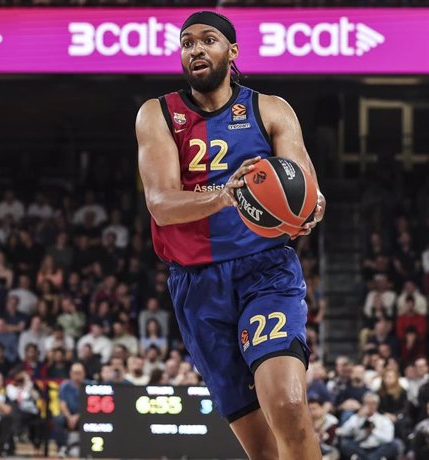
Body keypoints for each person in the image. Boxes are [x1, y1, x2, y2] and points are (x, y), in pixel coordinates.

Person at [136, 11, 326, 459]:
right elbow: (161, 205)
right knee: (260, 448)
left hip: (266, 272)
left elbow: (307, 188)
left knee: (289, 404)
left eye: (208, 40)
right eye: (187, 43)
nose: (196, 48)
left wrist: (312, 207)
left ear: (232, 51)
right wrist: (225, 196)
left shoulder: (271, 109)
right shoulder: (157, 114)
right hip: (197, 284)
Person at [336, 392, 397, 460]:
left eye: (372, 403)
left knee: (394, 445)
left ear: (377, 405)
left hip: (377, 448)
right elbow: (343, 432)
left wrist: (373, 431)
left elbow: (388, 438)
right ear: (363, 404)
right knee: (345, 444)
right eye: (367, 403)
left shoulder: (383, 420)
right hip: (360, 448)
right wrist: (358, 417)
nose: (369, 406)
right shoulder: (356, 418)